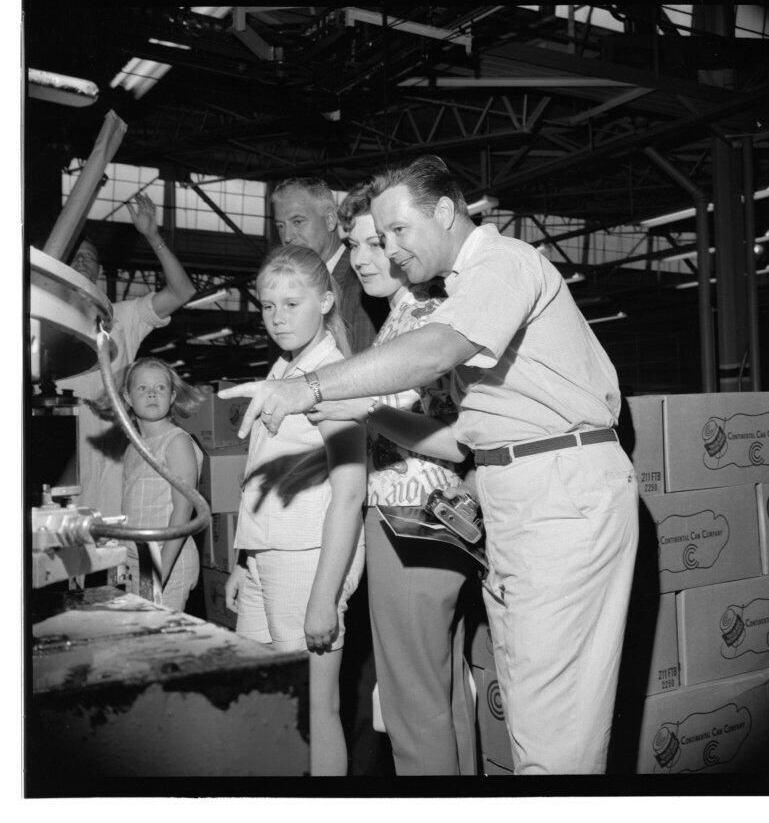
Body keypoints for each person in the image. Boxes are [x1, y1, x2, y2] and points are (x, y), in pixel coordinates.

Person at [221, 155, 640, 776]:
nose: (388, 251)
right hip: (511, 486)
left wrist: (312, 386)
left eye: (396, 231)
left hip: (551, 485)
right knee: (531, 710)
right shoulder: (461, 292)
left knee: (553, 729)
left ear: (445, 212)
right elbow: (458, 438)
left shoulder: (502, 264)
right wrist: (365, 405)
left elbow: (435, 352)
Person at [303, 181, 478, 775]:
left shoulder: (423, 318)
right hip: (431, 524)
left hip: (411, 520)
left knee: (411, 708)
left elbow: (455, 437)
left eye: (377, 242)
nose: (361, 258)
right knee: (442, 698)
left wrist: (365, 407)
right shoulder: (403, 316)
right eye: (354, 244)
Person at [223, 245, 366, 777]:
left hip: (308, 560)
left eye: (291, 303)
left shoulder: (331, 376)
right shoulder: (285, 368)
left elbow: (349, 494)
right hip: (266, 554)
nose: (278, 317)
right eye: (268, 306)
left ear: (326, 301)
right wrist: (244, 559)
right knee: (266, 699)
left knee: (314, 709)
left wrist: (325, 598)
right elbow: (265, 473)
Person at [56, 194, 196, 517]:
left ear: (99, 270)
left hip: (114, 460)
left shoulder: (122, 317)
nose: (81, 261)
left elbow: (182, 292)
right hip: (61, 459)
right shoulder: (44, 322)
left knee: (115, 538)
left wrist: (153, 236)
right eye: (74, 256)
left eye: (89, 257)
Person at [89, 357, 204, 611]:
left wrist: (158, 576)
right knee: (137, 628)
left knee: (158, 631)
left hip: (165, 557)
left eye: (160, 388)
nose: (152, 394)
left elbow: (183, 512)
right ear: (127, 398)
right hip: (138, 556)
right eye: (142, 388)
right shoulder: (135, 446)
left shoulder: (176, 442)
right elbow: (133, 507)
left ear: (172, 397)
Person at [271, 177, 388, 353]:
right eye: (280, 226)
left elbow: (369, 364)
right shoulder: (293, 289)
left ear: (330, 219)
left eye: (298, 221)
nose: (287, 236)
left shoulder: (364, 284)